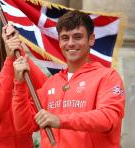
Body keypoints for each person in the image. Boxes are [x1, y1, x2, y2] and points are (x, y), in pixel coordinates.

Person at [13, 10, 125, 148]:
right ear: (59, 41)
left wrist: (59, 120)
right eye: (65, 38)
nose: (70, 43)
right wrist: (19, 85)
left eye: (77, 37)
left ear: (91, 39)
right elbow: (24, 125)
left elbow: (108, 119)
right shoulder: (51, 83)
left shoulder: (108, 76)